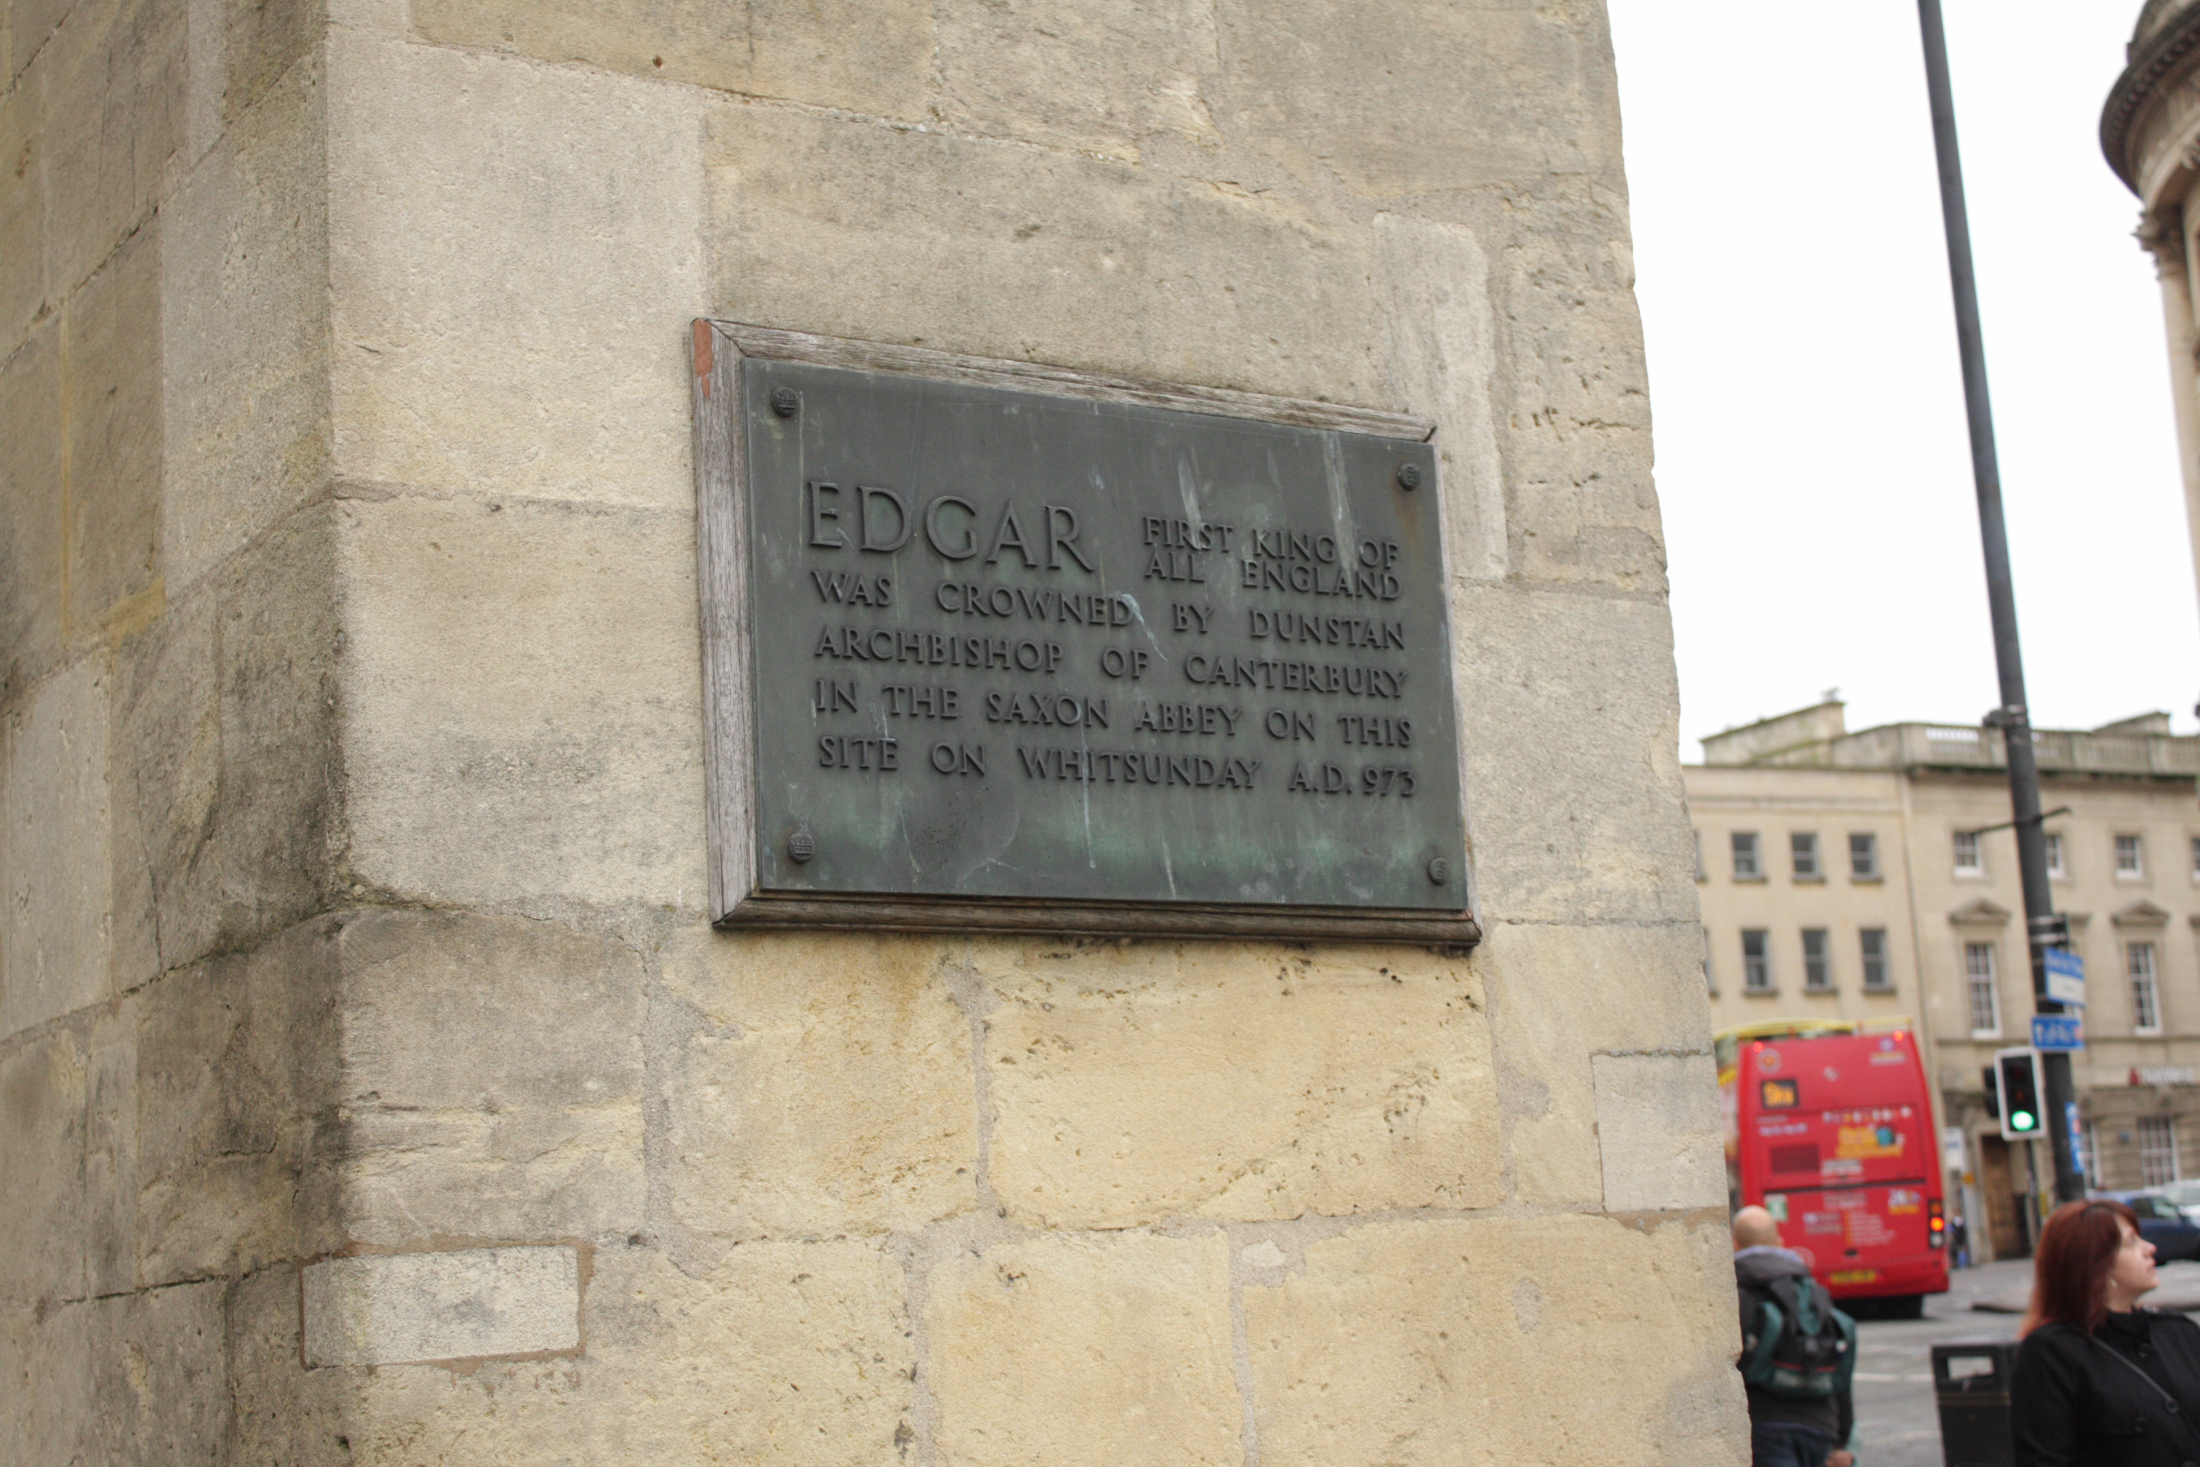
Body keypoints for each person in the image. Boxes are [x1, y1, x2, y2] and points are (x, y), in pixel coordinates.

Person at [2012, 1198, 2200, 1466]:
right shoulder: (2052, 1351)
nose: (2150, 1249)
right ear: (2096, 1262)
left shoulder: (2178, 1332)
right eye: (2131, 1242)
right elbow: (2044, 1457)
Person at [1733, 1206, 1858, 1467]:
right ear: (1780, 1242)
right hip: (1822, 1425)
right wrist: (1841, 1441)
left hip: (1765, 1424)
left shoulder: (1736, 1291)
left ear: (1735, 1243)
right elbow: (1841, 1376)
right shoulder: (1808, 1287)